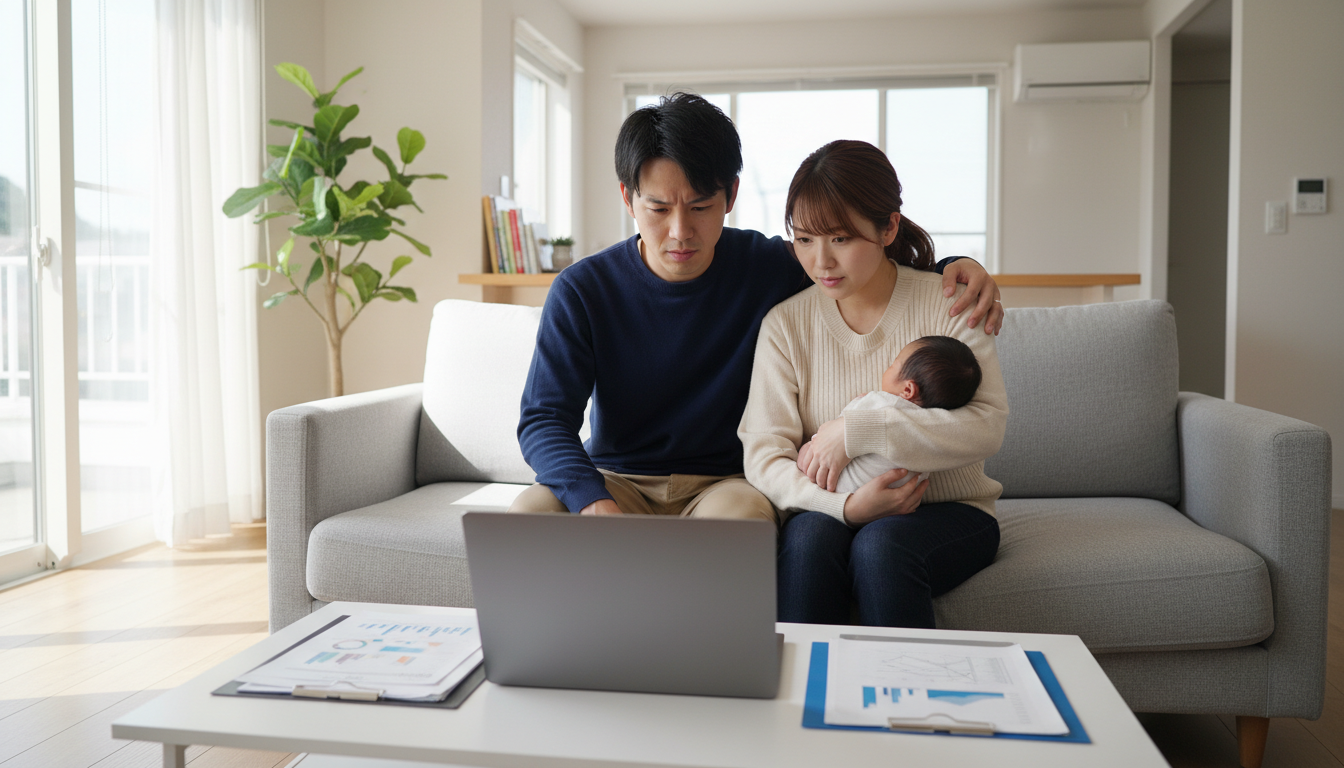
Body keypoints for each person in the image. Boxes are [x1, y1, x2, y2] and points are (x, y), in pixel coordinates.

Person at [509, 94, 1004, 521]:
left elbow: (853, 258)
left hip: (725, 483)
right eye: (659, 208)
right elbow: (543, 420)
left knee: (740, 519)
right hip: (617, 478)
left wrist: (955, 267)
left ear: (731, 196)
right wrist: (590, 499)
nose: (680, 231)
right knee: (531, 513)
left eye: (700, 206)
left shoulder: (767, 265)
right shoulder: (583, 290)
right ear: (628, 198)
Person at [739, 139, 1008, 628]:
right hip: (828, 507)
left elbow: (985, 426)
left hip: (953, 512)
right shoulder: (785, 325)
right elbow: (763, 454)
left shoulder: (951, 302)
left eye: (840, 239)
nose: (820, 261)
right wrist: (844, 507)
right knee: (806, 545)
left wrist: (857, 431)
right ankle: (804, 700)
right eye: (803, 239)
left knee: (881, 550)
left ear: (888, 227)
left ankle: (903, 701)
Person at [795, 334, 982, 495]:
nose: (888, 366)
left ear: (908, 389)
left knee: (807, 451)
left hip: (836, 484)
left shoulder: (881, 402)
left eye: (894, 364)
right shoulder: (931, 433)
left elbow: (841, 424)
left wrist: (859, 401)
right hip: (894, 500)